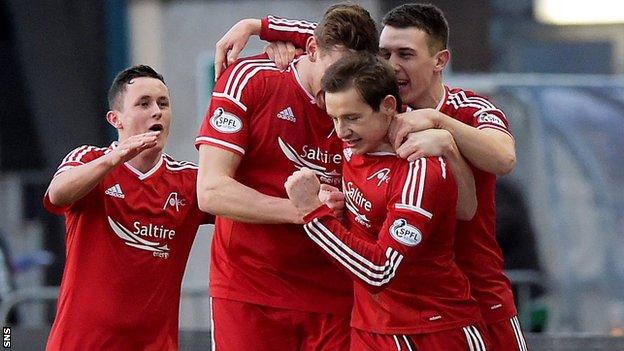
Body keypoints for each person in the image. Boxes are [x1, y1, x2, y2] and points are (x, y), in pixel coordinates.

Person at [214, 4, 527, 350]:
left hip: (469, 300)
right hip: (377, 318)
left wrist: (445, 132)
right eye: (385, 53)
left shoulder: (465, 112)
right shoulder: (367, 122)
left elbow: (501, 160)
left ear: (439, 60)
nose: (393, 65)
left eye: (406, 54)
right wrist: (261, 25)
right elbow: (337, 39)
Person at [195, 4, 380, 350]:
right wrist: (304, 211)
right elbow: (211, 191)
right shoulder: (251, 79)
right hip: (251, 289)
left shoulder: (367, 98)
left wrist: (260, 26)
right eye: (335, 72)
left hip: (335, 295)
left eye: (352, 76)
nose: (341, 89)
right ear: (310, 50)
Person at [285, 52, 488, 350]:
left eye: (352, 118)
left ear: (388, 106)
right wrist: (261, 27)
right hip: (370, 329)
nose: (341, 131)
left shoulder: (420, 167)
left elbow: (380, 271)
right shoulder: (353, 147)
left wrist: (313, 214)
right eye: (334, 118)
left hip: (434, 330)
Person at [43, 65, 213, 350]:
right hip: (80, 343)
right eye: (143, 104)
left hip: (155, 344)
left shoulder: (189, 181)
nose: (157, 111)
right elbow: (57, 194)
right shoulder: (90, 159)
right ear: (116, 119)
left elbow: (239, 205)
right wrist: (114, 159)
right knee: (7, 337)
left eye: (163, 103)